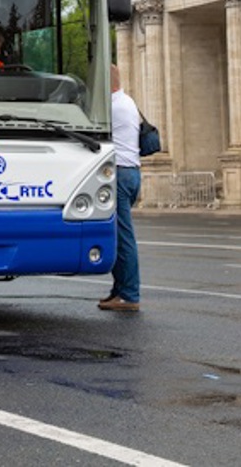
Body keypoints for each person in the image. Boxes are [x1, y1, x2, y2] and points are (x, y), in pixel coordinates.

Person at [100, 64, 141, 312]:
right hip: (131, 172)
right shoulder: (127, 102)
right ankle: (120, 290)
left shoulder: (112, 107)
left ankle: (129, 294)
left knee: (123, 237)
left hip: (120, 174)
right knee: (117, 235)